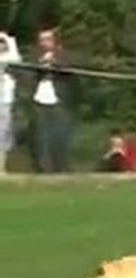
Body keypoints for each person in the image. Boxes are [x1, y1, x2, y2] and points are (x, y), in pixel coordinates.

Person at [29, 27, 79, 173]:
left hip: (60, 101)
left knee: (60, 136)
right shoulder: (35, 56)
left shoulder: (65, 55)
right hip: (40, 100)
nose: (44, 43)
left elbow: (71, 67)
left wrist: (54, 61)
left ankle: (62, 168)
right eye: (41, 40)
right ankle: (44, 169)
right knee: (41, 137)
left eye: (48, 39)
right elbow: (27, 73)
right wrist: (40, 63)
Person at [0, 31, 21, 174]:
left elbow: (16, 58)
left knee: (3, 133)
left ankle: (1, 167)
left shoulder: (9, 58)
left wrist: (8, 38)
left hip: (5, 100)